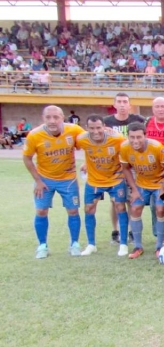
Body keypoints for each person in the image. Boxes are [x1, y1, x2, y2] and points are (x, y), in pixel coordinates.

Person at [23, 106, 84, 259]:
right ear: (43, 118)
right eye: (48, 117)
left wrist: (88, 164)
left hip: (68, 179)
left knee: (73, 211)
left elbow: (92, 144)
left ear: (62, 118)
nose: (52, 121)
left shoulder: (74, 130)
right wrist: (37, 180)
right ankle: (42, 245)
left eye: (56, 117)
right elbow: (27, 158)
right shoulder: (34, 135)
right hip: (44, 179)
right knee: (41, 211)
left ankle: (74, 244)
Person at [75, 115, 129, 257]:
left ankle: (123, 244)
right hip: (94, 180)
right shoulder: (82, 139)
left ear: (104, 126)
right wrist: (86, 163)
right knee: (89, 209)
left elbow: (127, 152)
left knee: (120, 207)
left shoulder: (117, 138)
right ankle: (91, 244)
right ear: (87, 128)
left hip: (115, 179)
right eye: (92, 128)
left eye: (98, 127)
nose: (96, 131)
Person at [119, 122, 164, 259]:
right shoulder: (125, 148)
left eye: (138, 137)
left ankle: (159, 246)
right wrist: (134, 189)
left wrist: (163, 188)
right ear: (128, 137)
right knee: (135, 209)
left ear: (145, 135)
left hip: (160, 183)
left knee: (160, 210)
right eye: (132, 137)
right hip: (141, 184)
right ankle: (138, 247)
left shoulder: (157, 148)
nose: (135, 141)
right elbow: (125, 168)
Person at [103, 93, 145, 244]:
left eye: (125, 102)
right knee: (115, 200)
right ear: (114, 104)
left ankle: (130, 230)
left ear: (129, 105)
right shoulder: (106, 122)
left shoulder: (138, 120)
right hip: (113, 166)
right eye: (119, 102)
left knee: (130, 199)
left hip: (132, 165)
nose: (122, 104)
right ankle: (116, 230)